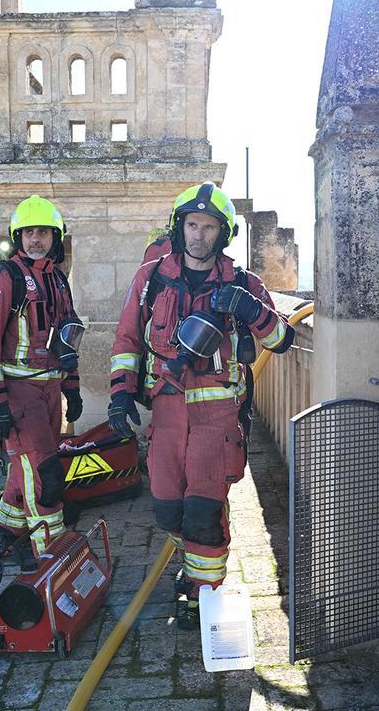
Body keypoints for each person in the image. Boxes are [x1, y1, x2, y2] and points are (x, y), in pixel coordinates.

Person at [107, 182, 294, 628]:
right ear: (179, 227)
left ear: (222, 234)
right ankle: (193, 568)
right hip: (167, 416)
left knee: (204, 514)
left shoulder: (243, 284)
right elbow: (128, 339)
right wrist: (119, 392)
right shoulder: (150, 278)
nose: (199, 235)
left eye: (209, 227)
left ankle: (204, 597)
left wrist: (252, 310)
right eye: (192, 224)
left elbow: (282, 339)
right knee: (168, 509)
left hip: (217, 419)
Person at [0, 195, 84, 565]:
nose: (35, 239)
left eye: (43, 232)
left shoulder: (59, 281)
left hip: (51, 390)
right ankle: (50, 557)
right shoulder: (2, 278)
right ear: (17, 236)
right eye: (28, 232)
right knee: (44, 476)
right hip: (19, 393)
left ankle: (2, 533)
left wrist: (72, 387)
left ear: (56, 237)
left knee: (27, 469)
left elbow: (67, 338)